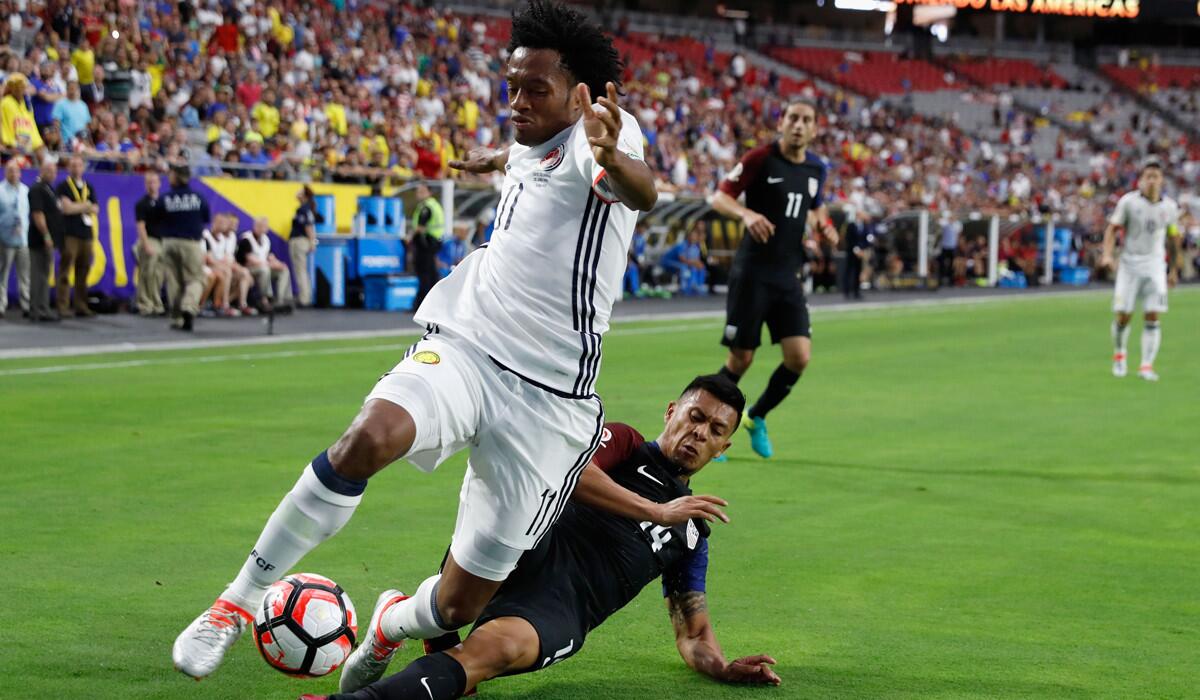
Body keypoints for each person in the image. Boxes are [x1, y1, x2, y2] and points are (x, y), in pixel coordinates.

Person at [172, 0, 656, 686]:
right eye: (510, 86)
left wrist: (611, 157)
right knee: (369, 437)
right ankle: (235, 601)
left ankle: (389, 622)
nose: (516, 102)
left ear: (581, 96)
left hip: (549, 401)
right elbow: (531, 156)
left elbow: (636, 190)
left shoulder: (603, 137)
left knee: (461, 602)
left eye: (534, 91)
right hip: (469, 343)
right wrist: (501, 156)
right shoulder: (534, 131)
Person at [304, 376, 781, 700]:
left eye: (715, 430)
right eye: (695, 417)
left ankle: (415, 644)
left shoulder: (693, 531)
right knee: (501, 514)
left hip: (565, 606)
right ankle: (413, 625)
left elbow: (693, 633)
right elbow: (567, 472)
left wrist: (720, 666)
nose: (699, 433)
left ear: (724, 447)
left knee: (492, 654)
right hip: (529, 544)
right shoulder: (625, 442)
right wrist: (656, 508)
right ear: (673, 411)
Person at [709, 99, 838, 459]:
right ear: (781, 122)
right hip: (752, 273)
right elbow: (719, 197)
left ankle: (757, 416)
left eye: (806, 119)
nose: (799, 125)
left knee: (799, 357)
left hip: (788, 275)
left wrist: (824, 226)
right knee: (741, 360)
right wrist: (747, 215)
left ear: (814, 129)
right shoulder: (760, 159)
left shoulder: (816, 168)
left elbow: (815, 206)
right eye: (793, 118)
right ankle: (710, 430)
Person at [1100, 157, 1181, 382]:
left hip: (1156, 265)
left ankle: (1146, 365)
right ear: (1141, 180)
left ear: (1162, 180)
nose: (1152, 181)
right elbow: (1112, 229)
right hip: (1130, 264)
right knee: (1124, 315)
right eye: (1148, 176)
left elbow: (1173, 239)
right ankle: (1119, 355)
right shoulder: (1129, 203)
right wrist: (1107, 254)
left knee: (1153, 315)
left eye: (1156, 176)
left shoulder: (1170, 207)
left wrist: (1173, 269)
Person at [157, 164, 210, 331]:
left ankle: (176, 317)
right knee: (196, 278)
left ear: (177, 177)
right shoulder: (198, 197)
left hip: (169, 241)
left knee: (174, 281)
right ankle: (188, 307)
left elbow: (157, 218)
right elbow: (205, 218)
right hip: (191, 242)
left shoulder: (165, 198)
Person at [55, 155, 99, 318]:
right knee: (65, 270)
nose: (76, 168)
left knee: (83, 271)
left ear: (83, 167)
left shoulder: (89, 187)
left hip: (86, 235)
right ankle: (62, 306)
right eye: (73, 165)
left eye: (79, 165)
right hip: (70, 234)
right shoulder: (63, 186)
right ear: (69, 168)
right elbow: (66, 209)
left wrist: (78, 207)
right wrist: (85, 206)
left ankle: (81, 305)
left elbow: (95, 209)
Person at [27, 158, 61, 322]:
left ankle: (43, 307)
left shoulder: (49, 189)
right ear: (42, 171)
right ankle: (37, 309)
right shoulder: (37, 189)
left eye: (55, 171)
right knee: (38, 275)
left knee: (45, 275)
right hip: (39, 240)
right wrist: (46, 235)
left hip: (48, 240)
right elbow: (38, 214)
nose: (54, 174)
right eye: (50, 171)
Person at [238, 215, 293, 311]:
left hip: (264, 266)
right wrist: (268, 264)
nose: (264, 228)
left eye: (265, 226)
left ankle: (280, 300)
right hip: (249, 269)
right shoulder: (246, 239)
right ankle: (265, 298)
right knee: (264, 269)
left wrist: (278, 264)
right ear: (256, 226)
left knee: (284, 270)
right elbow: (250, 259)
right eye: (261, 226)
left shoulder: (266, 239)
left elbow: (270, 256)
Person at [0, 160, 31, 319]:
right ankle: (1, 306)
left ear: (20, 173)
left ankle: (26, 305)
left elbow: (28, 215)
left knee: (24, 274)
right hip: (4, 238)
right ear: (5, 172)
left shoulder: (25, 191)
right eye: (10, 171)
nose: (13, 174)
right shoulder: (0, 190)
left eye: (16, 171)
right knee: (2, 274)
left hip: (23, 239)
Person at [134, 170, 165, 316]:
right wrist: (145, 244)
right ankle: (145, 303)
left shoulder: (164, 202)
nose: (152, 185)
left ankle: (156, 302)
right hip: (150, 239)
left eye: (154, 182)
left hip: (162, 241)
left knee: (158, 274)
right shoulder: (142, 204)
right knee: (147, 272)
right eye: (149, 182)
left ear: (159, 184)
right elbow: (140, 225)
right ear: (146, 185)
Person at [408, 182, 445, 307]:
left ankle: (421, 304)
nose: (418, 194)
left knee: (424, 274)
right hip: (434, 242)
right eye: (418, 191)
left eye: (421, 191)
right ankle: (433, 303)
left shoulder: (426, 207)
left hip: (426, 243)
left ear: (429, 192)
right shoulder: (434, 205)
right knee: (431, 273)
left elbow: (420, 227)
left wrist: (409, 237)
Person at [288, 185, 319, 307]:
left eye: (300, 192)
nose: (297, 194)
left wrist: (312, 242)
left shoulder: (304, 210)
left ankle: (304, 298)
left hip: (300, 241)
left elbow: (308, 227)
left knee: (300, 270)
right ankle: (305, 296)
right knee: (302, 270)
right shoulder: (306, 209)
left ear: (305, 196)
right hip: (302, 240)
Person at [660, 223, 708, 296]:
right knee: (684, 267)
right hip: (668, 262)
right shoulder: (682, 245)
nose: (694, 238)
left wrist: (699, 264)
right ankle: (684, 288)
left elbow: (696, 259)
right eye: (692, 236)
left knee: (701, 267)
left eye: (695, 236)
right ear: (688, 237)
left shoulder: (695, 247)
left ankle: (696, 286)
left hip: (681, 263)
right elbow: (682, 259)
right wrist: (694, 263)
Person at [51, 81, 90, 146]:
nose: (73, 91)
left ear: (78, 90)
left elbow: (86, 126)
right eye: (71, 89)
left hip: (82, 142)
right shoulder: (60, 104)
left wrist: (88, 141)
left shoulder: (83, 105)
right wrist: (60, 141)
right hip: (67, 142)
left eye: (75, 89)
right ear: (67, 90)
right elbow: (56, 125)